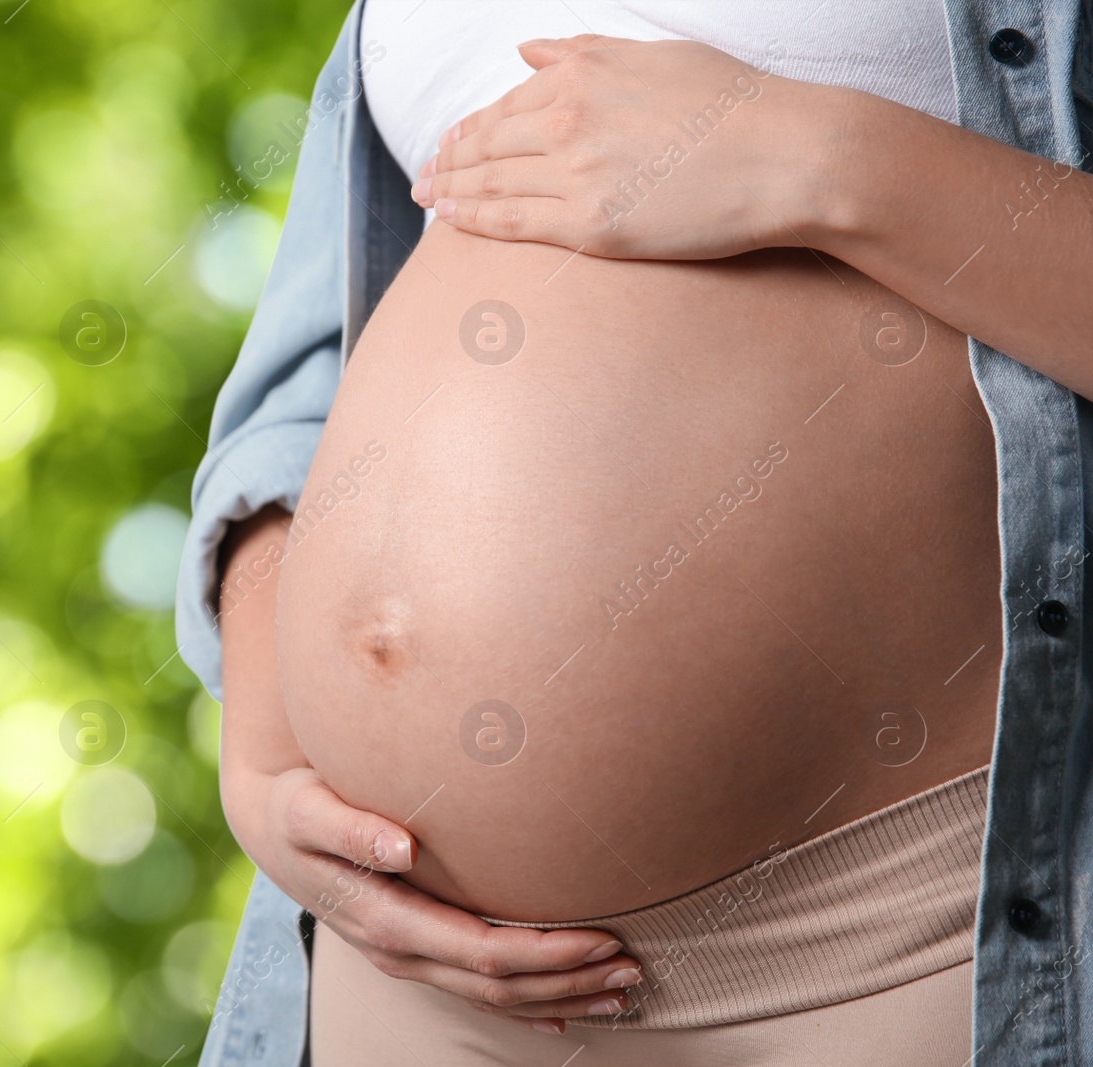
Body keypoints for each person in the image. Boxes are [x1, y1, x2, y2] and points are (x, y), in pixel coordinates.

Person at [177, 2, 1093, 1065]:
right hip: (405, 967)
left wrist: (830, 160)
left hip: (903, 932)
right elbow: (302, 387)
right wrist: (262, 742)